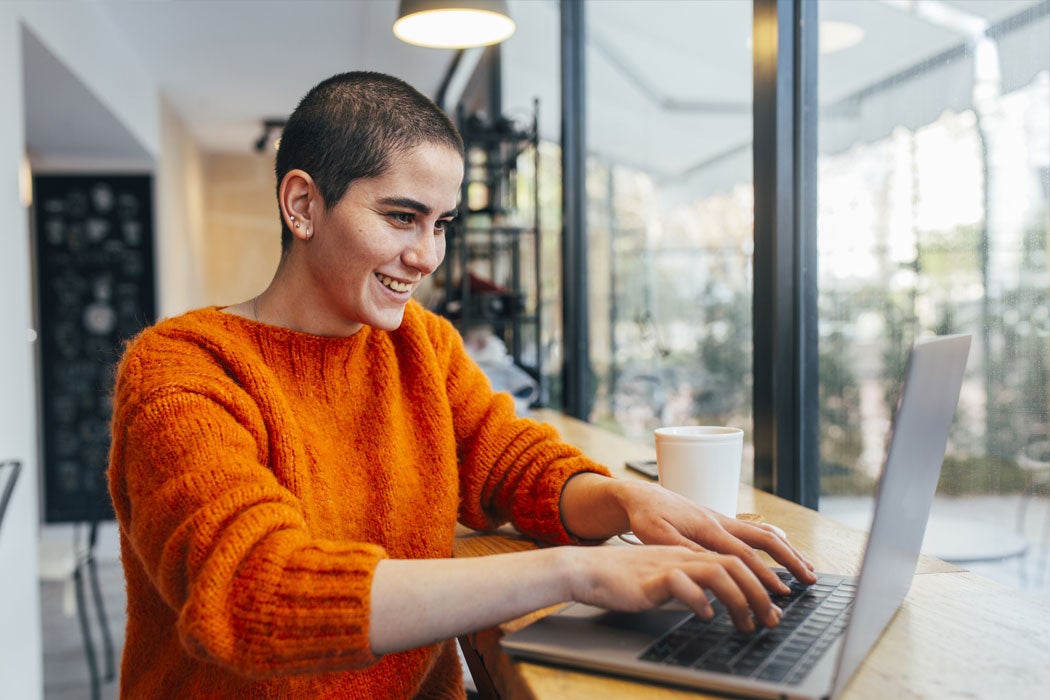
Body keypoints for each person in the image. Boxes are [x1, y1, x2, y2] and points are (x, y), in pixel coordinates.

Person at [107, 71, 815, 699]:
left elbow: (513, 465)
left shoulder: (421, 343)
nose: (426, 257)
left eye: (441, 224)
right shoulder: (181, 369)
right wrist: (577, 575)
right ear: (302, 205)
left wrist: (630, 499)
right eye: (401, 216)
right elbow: (255, 594)